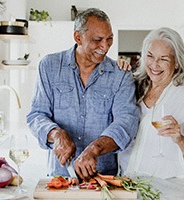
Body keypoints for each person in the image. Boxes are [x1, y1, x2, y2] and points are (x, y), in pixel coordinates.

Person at [27, 8, 139, 180]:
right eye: (97, 40)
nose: (105, 46)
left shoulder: (121, 75)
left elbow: (126, 122)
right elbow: (37, 115)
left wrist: (94, 149)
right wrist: (56, 134)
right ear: (78, 37)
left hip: (103, 179)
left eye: (109, 39)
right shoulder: (49, 66)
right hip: (59, 177)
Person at [119, 27, 184, 179]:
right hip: (126, 181)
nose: (154, 64)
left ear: (177, 63)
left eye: (164, 59)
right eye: (150, 56)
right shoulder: (135, 85)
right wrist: (116, 70)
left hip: (163, 188)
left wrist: (180, 138)